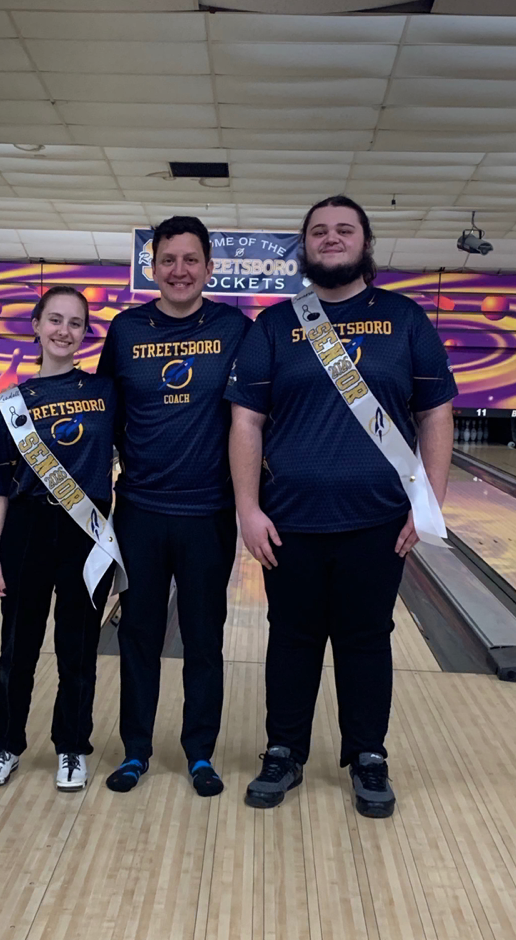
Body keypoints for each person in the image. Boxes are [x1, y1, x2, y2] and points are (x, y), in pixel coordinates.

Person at [226, 195, 456, 817]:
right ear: (305, 246)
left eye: (344, 229)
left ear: (365, 243)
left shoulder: (406, 319)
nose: (331, 238)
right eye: (319, 231)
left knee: (366, 639)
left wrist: (426, 503)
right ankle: (283, 751)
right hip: (290, 521)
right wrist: (248, 507)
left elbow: (436, 413)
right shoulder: (275, 325)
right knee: (291, 639)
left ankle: (368, 755)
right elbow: (246, 420)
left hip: (378, 521)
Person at [97, 216, 251, 796]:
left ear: (209, 268)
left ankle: (200, 752)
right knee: (137, 634)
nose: (179, 270)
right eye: (168, 260)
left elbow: (256, 415)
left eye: (191, 260)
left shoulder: (236, 328)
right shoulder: (126, 328)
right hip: (139, 510)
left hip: (209, 513)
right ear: (152, 267)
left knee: (204, 637)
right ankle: (136, 749)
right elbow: (105, 414)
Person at [0, 286, 117, 792]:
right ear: (35, 325)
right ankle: (6, 744)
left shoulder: (105, 392)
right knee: (18, 648)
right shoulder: (10, 403)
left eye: (75, 323)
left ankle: (73, 747)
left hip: (87, 531)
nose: (63, 331)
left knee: (79, 648)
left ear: (84, 334)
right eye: (54, 320)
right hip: (26, 530)